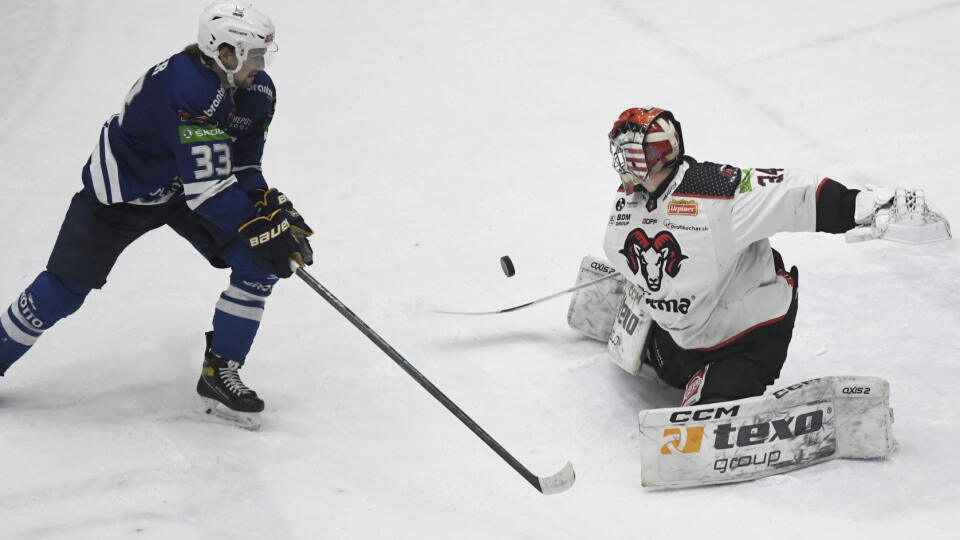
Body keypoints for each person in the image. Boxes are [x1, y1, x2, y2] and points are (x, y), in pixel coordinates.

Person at [0, 2, 312, 428]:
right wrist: (255, 225)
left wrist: (266, 208)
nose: (261, 66)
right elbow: (209, 193)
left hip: (187, 190)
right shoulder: (189, 87)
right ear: (224, 52)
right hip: (123, 194)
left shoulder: (257, 91)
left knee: (258, 260)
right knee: (64, 289)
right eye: (254, 56)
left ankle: (220, 370)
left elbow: (242, 166)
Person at [602, 106, 950, 407]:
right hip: (681, 338)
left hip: (744, 338)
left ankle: (718, 389)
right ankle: (665, 351)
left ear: (655, 155)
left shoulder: (715, 193)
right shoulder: (629, 200)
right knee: (666, 367)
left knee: (713, 403)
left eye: (630, 153)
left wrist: (865, 208)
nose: (621, 162)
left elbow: (792, 193)